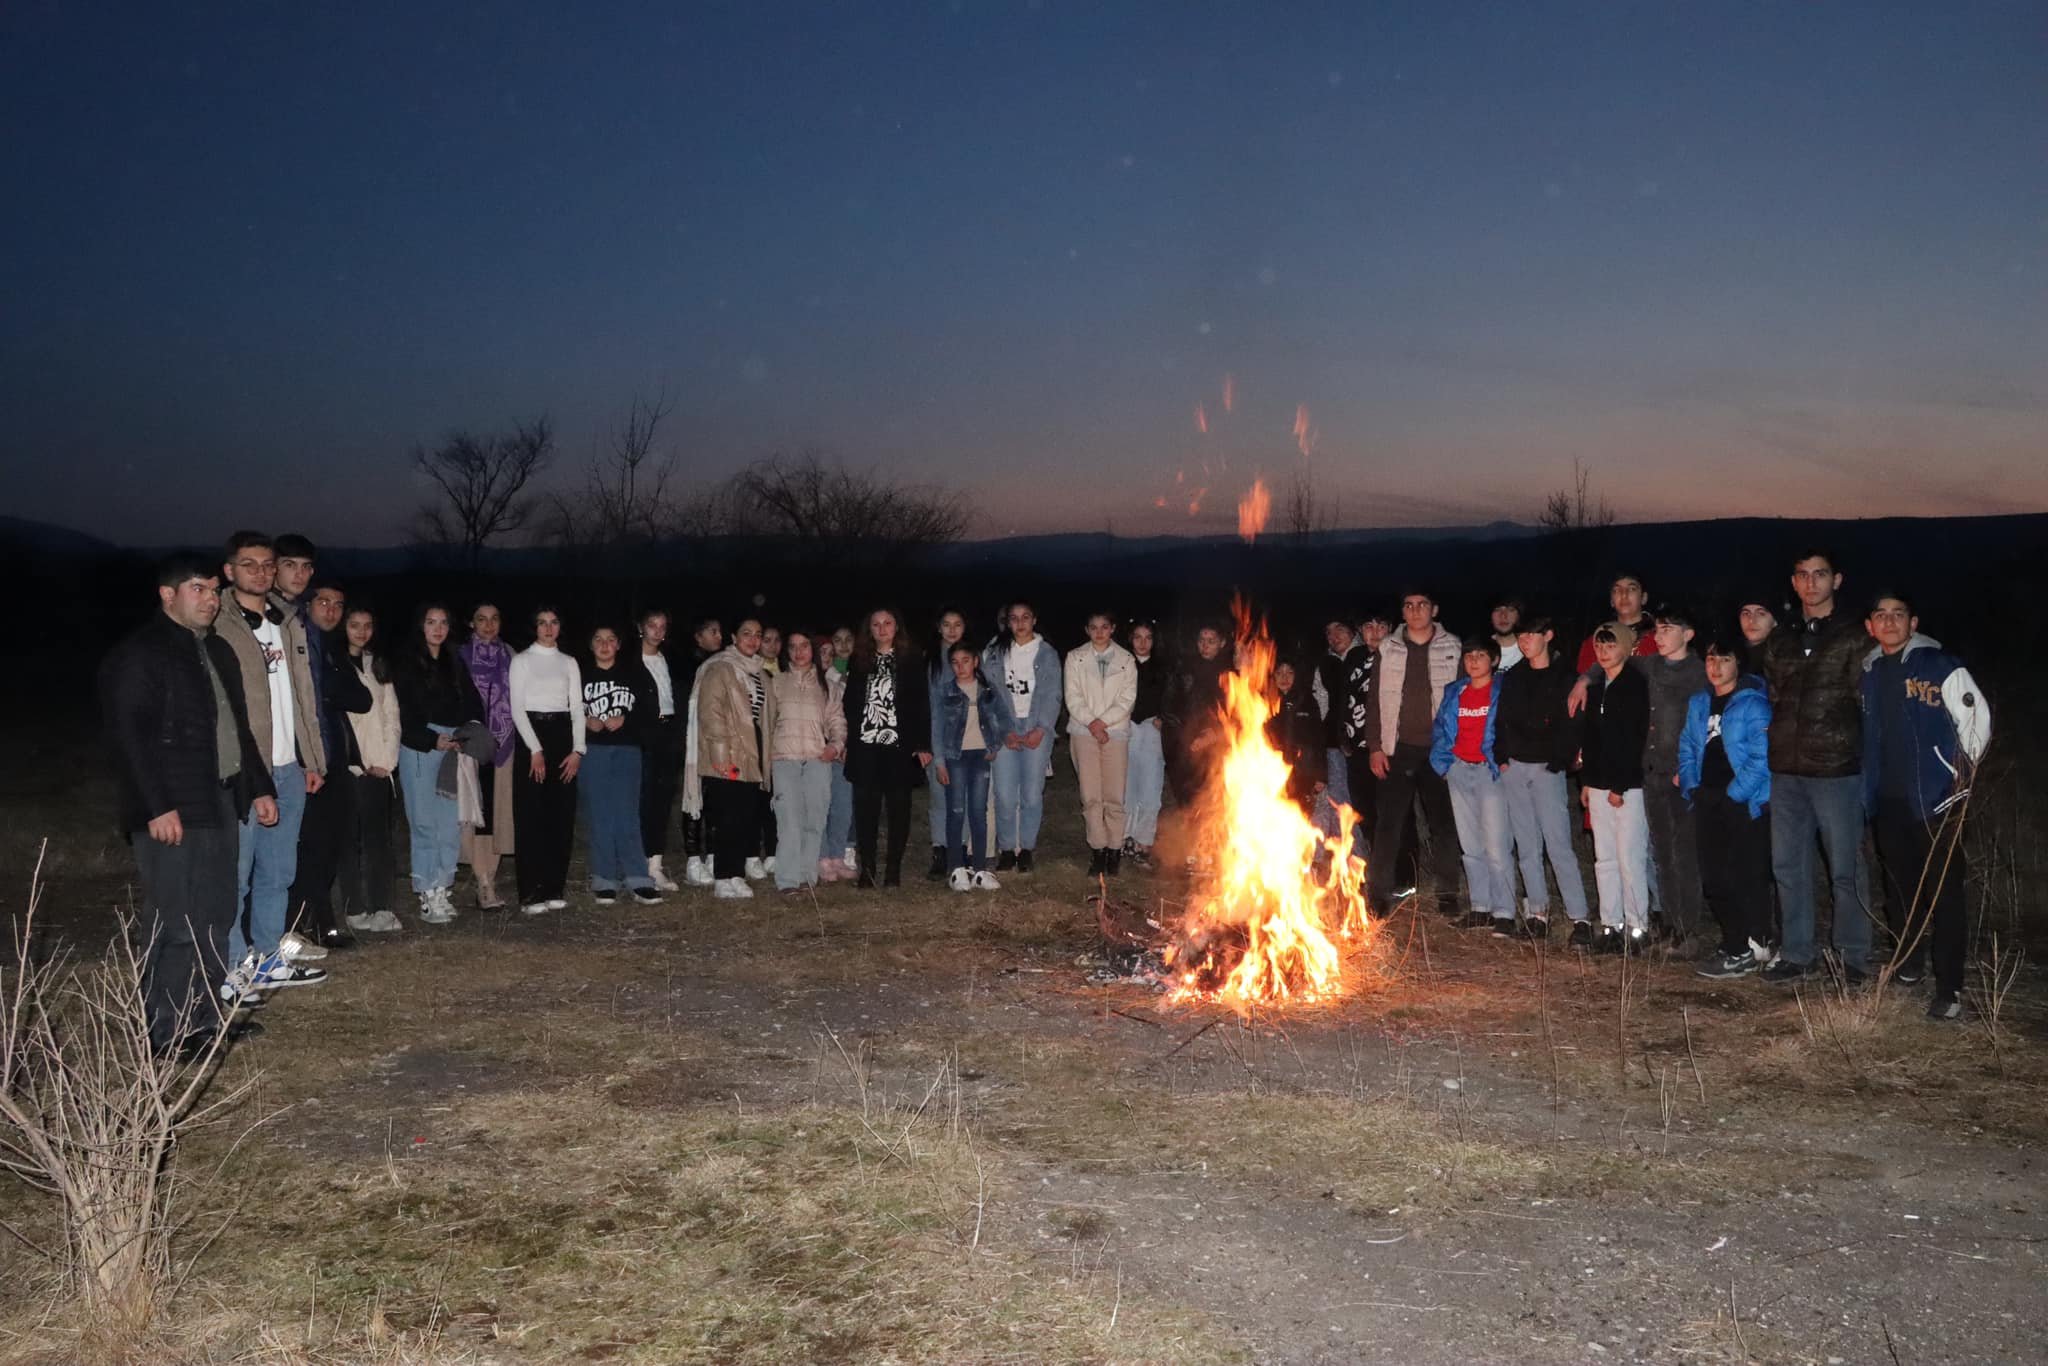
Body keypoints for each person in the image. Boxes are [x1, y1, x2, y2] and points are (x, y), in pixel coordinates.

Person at [101, 553, 278, 1056]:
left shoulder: (216, 650)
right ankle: (166, 1031)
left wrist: (259, 786)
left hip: (218, 798)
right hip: (171, 807)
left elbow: (236, 728)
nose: (210, 599)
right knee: (175, 919)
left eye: (213, 591)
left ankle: (205, 1018)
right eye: (198, 589)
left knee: (216, 912)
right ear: (167, 594)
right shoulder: (141, 654)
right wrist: (155, 806)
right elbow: (128, 739)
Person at [1861, 592, 1992, 1018]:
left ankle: (1950, 988)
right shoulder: (1872, 671)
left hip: (1938, 802)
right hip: (1890, 800)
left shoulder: (1940, 665)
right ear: (1871, 626)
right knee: (1900, 891)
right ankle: (1909, 965)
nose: (1890, 622)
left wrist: (1960, 776)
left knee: (1945, 894)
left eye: (1898, 615)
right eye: (1881, 615)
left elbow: (1977, 720)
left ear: (1913, 623)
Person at [211, 532, 329, 989]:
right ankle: (232, 965)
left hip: (289, 767)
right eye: (249, 564)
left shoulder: (288, 621)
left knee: (279, 871)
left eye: (267, 564)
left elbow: (303, 696)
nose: (260, 572)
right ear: (229, 570)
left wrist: (312, 759)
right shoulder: (219, 621)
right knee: (237, 873)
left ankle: (267, 957)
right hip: (245, 769)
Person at [1754, 550, 1874, 984]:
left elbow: (1868, 699)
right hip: (1786, 769)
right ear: (1793, 581)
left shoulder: (1855, 635)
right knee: (1787, 865)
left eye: (1820, 575)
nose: (1811, 583)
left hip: (1836, 769)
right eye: (1803, 575)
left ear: (1836, 580)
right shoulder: (1782, 638)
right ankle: (1798, 952)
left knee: (1846, 868)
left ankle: (1854, 957)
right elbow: (1773, 692)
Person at [1361, 589, 1463, 919]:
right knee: (1388, 824)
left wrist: (1458, 748)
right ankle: (1378, 894)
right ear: (1403, 612)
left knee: (1443, 824)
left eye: (1422, 605)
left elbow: (1463, 697)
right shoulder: (1388, 649)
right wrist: (1376, 747)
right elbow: (1374, 700)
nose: (1415, 610)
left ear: (1434, 609)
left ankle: (1448, 892)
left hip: (1439, 750)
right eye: (1408, 605)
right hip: (1397, 748)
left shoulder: (1453, 647)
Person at [1491, 614, 1591, 942]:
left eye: (1532, 634)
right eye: (1521, 635)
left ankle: (1580, 919)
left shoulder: (1565, 677)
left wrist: (1558, 762)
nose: (1525, 640)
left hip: (1548, 769)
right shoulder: (1515, 676)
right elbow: (1502, 719)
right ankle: (1538, 913)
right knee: (1527, 846)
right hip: (1516, 768)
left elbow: (1573, 723)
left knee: (1559, 845)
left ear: (1548, 635)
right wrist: (1503, 759)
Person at [1681, 634, 1774, 979]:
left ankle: (1749, 946)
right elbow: (1688, 747)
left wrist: (1732, 795)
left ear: (1738, 664)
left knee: (1744, 876)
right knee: (1714, 877)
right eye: (1710, 659)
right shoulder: (1698, 703)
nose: (1715, 667)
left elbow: (1761, 757)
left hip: (1743, 803)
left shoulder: (1753, 704)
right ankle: (1734, 941)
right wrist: (1693, 787)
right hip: (1707, 799)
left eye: (1724, 660)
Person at [286, 575, 372, 951]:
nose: (331, 610)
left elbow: (361, 698)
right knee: (306, 847)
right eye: (323, 602)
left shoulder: (333, 650)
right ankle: (294, 926)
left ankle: (322, 922)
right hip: (303, 762)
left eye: (338, 604)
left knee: (330, 846)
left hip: (335, 759)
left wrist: (332, 687)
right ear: (307, 605)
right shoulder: (298, 644)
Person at [392, 603, 487, 924]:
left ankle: (443, 886)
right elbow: (402, 713)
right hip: (421, 746)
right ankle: (426, 891)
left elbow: (474, 702)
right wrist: (432, 740)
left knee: (449, 822)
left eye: (443, 622)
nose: (437, 628)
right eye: (431, 622)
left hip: (454, 747)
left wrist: (467, 732)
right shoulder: (406, 664)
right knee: (424, 823)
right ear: (420, 625)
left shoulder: (454, 661)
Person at [844, 608, 932, 888]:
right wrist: (848, 740)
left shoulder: (911, 660)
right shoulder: (858, 660)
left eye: (887, 623)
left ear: (897, 627)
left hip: (899, 747)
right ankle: (867, 868)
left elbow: (921, 704)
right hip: (866, 746)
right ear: (869, 629)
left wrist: (922, 744)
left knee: (898, 810)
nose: (882, 629)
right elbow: (849, 703)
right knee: (865, 811)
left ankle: (893, 869)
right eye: (876, 624)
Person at [689, 618, 774, 899]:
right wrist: (720, 756)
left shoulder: (759, 673)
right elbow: (710, 714)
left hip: (751, 753)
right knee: (727, 817)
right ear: (734, 637)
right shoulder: (720, 668)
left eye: (757, 635)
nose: (753, 639)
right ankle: (723, 878)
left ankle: (736, 873)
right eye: (746, 634)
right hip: (727, 756)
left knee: (744, 817)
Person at [1579, 622, 1652, 952]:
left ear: (1624, 648)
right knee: (1603, 857)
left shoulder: (1635, 685)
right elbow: (1590, 739)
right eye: (1599, 646)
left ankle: (1638, 926)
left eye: (1610, 646)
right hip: (1597, 782)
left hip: (1627, 787)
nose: (1603, 652)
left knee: (1629, 857)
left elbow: (1634, 738)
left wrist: (1620, 786)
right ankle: (1611, 924)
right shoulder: (1596, 686)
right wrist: (1587, 782)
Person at [1430, 639, 1511, 931]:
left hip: (1489, 772)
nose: (1474, 661)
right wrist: (1444, 763)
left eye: (1481, 656)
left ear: (1495, 660)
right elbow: (1440, 727)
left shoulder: (1503, 689)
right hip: (1460, 770)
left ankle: (1504, 912)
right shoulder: (1455, 691)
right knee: (1470, 844)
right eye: (1469, 656)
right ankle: (1481, 906)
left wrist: (1503, 762)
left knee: (1496, 845)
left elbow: (1509, 728)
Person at [510, 607, 586, 914]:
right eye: (542, 622)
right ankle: (531, 892)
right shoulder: (522, 661)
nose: (548, 628)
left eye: (554, 622)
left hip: (563, 738)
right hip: (532, 736)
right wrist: (535, 750)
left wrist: (578, 750)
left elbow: (577, 708)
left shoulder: (569, 662)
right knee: (531, 817)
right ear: (534, 627)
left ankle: (554, 887)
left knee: (560, 817)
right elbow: (517, 708)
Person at [579, 624, 662, 905]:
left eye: (610, 639)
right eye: (598, 639)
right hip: (594, 751)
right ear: (591, 645)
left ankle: (638, 877)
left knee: (627, 813)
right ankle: (605, 877)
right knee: (600, 814)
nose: (604, 645)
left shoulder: (634, 675)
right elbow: (568, 709)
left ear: (618, 644)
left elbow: (650, 712)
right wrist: (585, 720)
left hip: (627, 750)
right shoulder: (579, 675)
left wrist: (625, 720)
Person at [339, 605, 402, 935]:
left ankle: (382, 905)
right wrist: (353, 762)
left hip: (380, 767)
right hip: (350, 768)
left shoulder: (378, 664)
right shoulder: (334, 665)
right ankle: (354, 906)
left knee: (379, 840)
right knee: (348, 840)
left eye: (367, 625)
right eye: (354, 625)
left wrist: (388, 761)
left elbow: (391, 715)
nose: (361, 632)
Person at [984, 601, 1059, 873]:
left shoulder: (1046, 653)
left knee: (1031, 792)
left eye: (1025, 617)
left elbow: (1052, 694)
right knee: (1004, 793)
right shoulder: (994, 652)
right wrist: (1003, 730)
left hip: (1035, 726)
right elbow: (988, 694)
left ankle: (1026, 848)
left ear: (1034, 619)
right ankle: (1006, 848)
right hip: (1006, 726)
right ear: (1007, 621)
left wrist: (1041, 728)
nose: (1020, 623)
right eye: (1014, 618)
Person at [769, 629, 846, 891]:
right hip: (784, 759)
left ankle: (807, 875)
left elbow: (837, 721)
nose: (799, 652)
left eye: (804, 646)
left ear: (812, 649)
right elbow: (766, 722)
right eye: (793, 647)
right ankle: (788, 879)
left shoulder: (828, 685)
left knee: (815, 820)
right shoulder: (776, 682)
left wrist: (834, 747)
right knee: (789, 821)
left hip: (817, 760)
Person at [1065, 611, 1139, 875]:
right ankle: (1097, 850)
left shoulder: (1126, 660)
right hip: (1083, 731)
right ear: (1087, 630)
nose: (1099, 632)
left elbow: (1127, 697)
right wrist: (1092, 723)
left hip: (1115, 732)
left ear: (1113, 629)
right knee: (1091, 795)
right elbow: (1072, 696)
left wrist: (1104, 722)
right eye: (1094, 627)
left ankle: (1114, 850)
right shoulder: (1075, 658)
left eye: (1104, 627)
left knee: (1114, 796)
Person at [932, 641, 1009, 890]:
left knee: (978, 813)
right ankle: (956, 868)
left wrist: (994, 746)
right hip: (955, 757)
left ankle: (980, 870)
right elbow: (937, 728)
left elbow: (1004, 719)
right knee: (955, 811)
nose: (960, 667)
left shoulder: (988, 690)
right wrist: (940, 761)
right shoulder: (945, 692)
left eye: (966, 661)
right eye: (955, 662)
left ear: (976, 662)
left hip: (979, 756)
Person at [457, 602, 517, 910]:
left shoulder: (510, 655)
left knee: (496, 814)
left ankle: (489, 880)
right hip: (470, 744)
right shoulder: (460, 657)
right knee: (475, 814)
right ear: (471, 623)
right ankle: (481, 878)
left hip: (505, 742)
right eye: (481, 619)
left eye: (494, 619)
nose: (488, 625)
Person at [1310, 616, 1373, 858]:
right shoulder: (1325, 664)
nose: (1334, 637)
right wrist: (1328, 733)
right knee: (1339, 801)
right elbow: (1322, 701)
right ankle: (1354, 859)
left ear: (1353, 631)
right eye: (1329, 633)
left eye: (1340, 630)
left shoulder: (1366, 655)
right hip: (1336, 745)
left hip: (1366, 744)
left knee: (1363, 803)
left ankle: (1367, 856)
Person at [636, 608, 684, 891]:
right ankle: (636, 864)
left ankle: (655, 864)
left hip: (669, 735)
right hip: (643, 737)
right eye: (652, 625)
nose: (657, 631)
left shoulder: (671, 660)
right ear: (641, 627)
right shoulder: (631, 662)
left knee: (662, 802)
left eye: (662, 626)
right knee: (642, 801)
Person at [923, 608, 971, 879]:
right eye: (946, 625)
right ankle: (940, 850)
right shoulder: (931, 661)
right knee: (940, 798)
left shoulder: (973, 658)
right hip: (938, 739)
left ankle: (960, 850)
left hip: (967, 740)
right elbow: (927, 706)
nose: (952, 630)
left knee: (961, 798)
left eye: (958, 624)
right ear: (939, 628)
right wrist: (927, 744)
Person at [676, 617, 723, 886]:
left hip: (717, 743)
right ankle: (694, 859)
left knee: (715, 799)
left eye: (719, 632)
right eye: (711, 631)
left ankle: (715, 855)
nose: (718, 636)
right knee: (693, 798)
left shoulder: (725, 664)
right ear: (698, 637)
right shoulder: (688, 665)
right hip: (695, 741)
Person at [1164, 623, 1231, 808]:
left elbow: (1235, 713)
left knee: (1215, 795)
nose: (1205, 645)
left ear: (1222, 643)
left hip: (1217, 745)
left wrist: (1214, 733)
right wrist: (1187, 736)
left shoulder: (1229, 673)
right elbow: (1170, 704)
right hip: (1186, 742)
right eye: (1202, 640)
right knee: (1187, 796)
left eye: (1211, 641)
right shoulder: (1184, 669)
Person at [1121, 620, 1169, 869]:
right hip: (1126, 726)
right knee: (1127, 788)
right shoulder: (1122, 663)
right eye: (1137, 637)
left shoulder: (1163, 668)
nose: (1142, 642)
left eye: (1147, 637)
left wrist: (1165, 717)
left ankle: (1143, 843)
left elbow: (1171, 697)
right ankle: (1125, 839)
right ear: (1130, 638)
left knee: (1150, 788)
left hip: (1151, 728)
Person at [822, 625, 859, 874]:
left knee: (852, 800)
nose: (844, 645)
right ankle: (827, 853)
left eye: (849, 639)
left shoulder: (863, 670)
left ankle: (848, 848)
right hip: (831, 747)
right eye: (838, 640)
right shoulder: (824, 675)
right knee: (829, 800)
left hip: (857, 746)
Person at [1265, 659, 1324, 810]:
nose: (1284, 678)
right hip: (1273, 770)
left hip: (1303, 769)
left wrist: (1321, 775)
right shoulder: (1263, 703)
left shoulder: (1307, 701)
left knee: (1301, 812)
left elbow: (1318, 739)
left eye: (1289, 673)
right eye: (1279, 673)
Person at [1575, 573, 1658, 672]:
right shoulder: (1594, 643)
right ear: (1612, 601)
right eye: (1617, 590)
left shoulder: (1660, 639)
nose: (1624, 594)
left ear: (1643, 598)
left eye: (1631, 589)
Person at [1489, 597, 1525, 670]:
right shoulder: (1479, 649)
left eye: (1510, 610)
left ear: (1518, 616)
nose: (1503, 615)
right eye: (1497, 609)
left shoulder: (1529, 649)